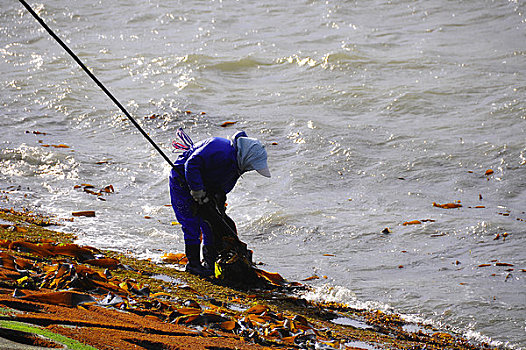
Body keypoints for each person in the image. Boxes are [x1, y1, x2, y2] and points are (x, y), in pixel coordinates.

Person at [169, 128, 270, 276]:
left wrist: (217, 207)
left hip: (205, 189)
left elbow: (222, 190)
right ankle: (194, 264)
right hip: (181, 181)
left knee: (209, 225)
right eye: (251, 165)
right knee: (191, 223)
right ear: (246, 157)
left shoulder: (234, 169)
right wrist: (197, 190)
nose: (250, 169)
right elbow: (191, 164)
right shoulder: (219, 147)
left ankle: (209, 263)